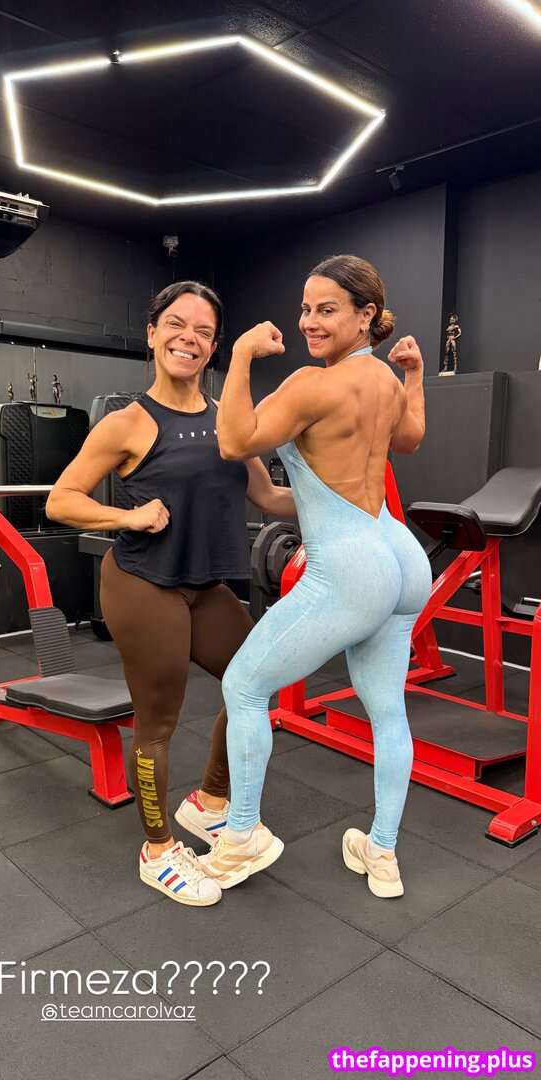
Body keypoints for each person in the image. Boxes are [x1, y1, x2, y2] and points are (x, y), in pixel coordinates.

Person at [46, 281, 296, 908]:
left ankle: (208, 801)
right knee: (158, 723)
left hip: (205, 587)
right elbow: (61, 500)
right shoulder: (127, 423)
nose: (189, 339)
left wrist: (350, 491)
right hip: (143, 585)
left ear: (214, 346)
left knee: (255, 682)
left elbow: (269, 498)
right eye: (177, 325)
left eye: (204, 331)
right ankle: (157, 850)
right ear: (153, 333)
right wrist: (126, 518)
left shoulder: (228, 417)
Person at [203, 254, 432, 899]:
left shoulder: (310, 384)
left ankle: (241, 836)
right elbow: (409, 439)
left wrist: (241, 357)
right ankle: (382, 852)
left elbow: (234, 440)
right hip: (400, 556)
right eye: (306, 309)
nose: (309, 321)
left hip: (352, 566)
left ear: (365, 315)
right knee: (388, 712)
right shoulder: (384, 381)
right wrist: (415, 376)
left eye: (327, 309)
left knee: (245, 686)